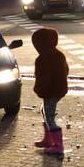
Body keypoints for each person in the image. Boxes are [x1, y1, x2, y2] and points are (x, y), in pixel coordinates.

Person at [32, 28, 69, 156]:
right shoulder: (59, 54)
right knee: (45, 111)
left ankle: (58, 146)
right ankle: (48, 140)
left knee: (49, 117)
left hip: (50, 91)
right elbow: (66, 70)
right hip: (59, 89)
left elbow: (44, 78)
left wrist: (39, 90)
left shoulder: (44, 58)